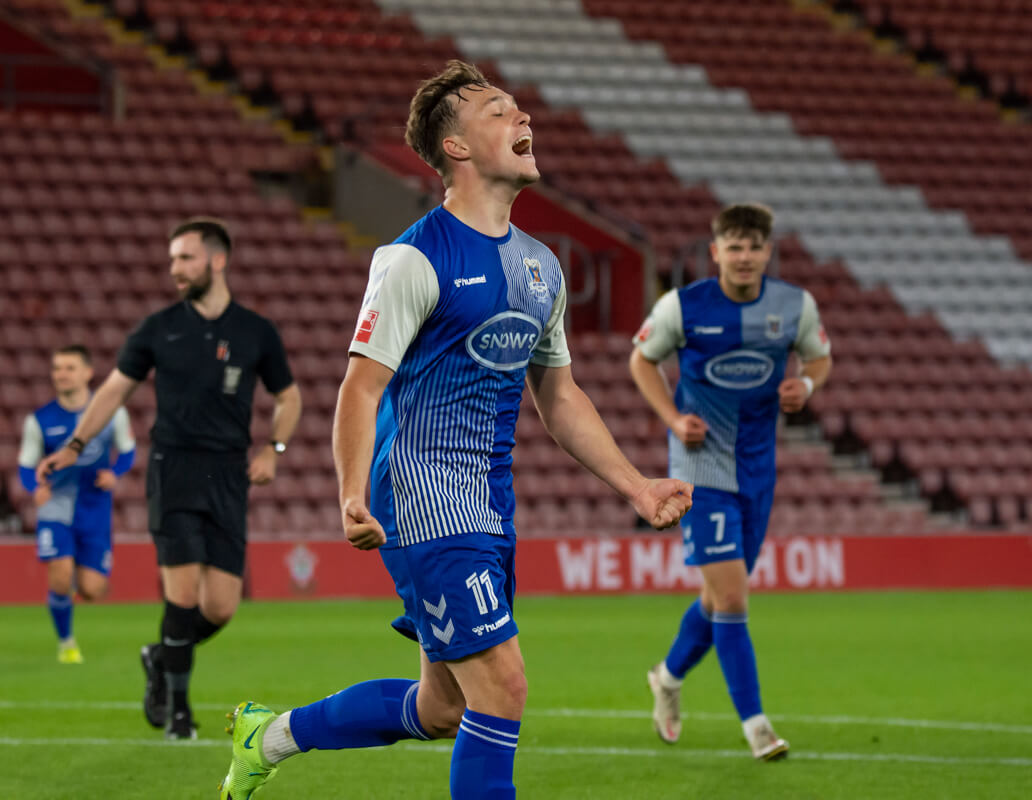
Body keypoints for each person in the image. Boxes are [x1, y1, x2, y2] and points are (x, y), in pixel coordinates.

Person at [216, 60, 693, 800]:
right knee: (502, 689)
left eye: (519, 108)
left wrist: (635, 484)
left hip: (489, 503)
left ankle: (267, 737)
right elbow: (360, 386)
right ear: (458, 148)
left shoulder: (541, 268)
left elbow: (558, 396)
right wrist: (350, 491)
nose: (522, 117)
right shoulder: (414, 257)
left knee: (443, 709)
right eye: (499, 110)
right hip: (422, 496)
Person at [35, 217, 302, 739]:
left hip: (229, 474)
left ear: (217, 260)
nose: (174, 268)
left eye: (184, 258)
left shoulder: (255, 331)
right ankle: (179, 714)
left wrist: (274, 449)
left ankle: (158, 656)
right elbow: (112, 391)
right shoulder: (158, 328)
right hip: (173, 470)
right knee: (181, 597)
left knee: (220, 607)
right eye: (172, 259)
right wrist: (73, 447)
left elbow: (288, 397)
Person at [629, 203, 833, 760]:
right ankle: (756, 723)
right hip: (700, 469)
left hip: (757, 467)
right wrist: (673, 421)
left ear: (767, 252)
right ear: (716, 252)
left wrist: (807, 388)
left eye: (754, 247)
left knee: (717, 597)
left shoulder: (793, 307)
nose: (744, 257)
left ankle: (667, 679)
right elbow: (642, 362)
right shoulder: (683, 307)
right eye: (734, 247)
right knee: (735, 596)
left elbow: (819, 359)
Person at [17, 344, 136, 664]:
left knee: (94, 589)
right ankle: (66, 643)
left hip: (96, 510)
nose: (61, 374)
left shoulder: (113, 413)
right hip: (56, 506)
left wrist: (115, 473)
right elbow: (26, 466)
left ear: (87, 372)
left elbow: (128, 451)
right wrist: (34, 488)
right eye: (57, 368)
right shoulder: (40, 420)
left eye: (69, 368)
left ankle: (68, 585)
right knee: (60, 573)